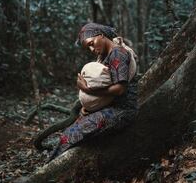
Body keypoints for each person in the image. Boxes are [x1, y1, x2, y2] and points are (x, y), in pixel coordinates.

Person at [49, 23, 138, 160]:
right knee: (69, 133)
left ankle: (48, 170)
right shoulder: (105, 56)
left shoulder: (118, 53)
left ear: (101, 35)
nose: (91, 49)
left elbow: (120, 89)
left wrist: (86, 89)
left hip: (122, 110)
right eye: (88, 47)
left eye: (92, 43)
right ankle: (49, 166)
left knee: (72, 134)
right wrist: (88, 107)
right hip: (110, 107)